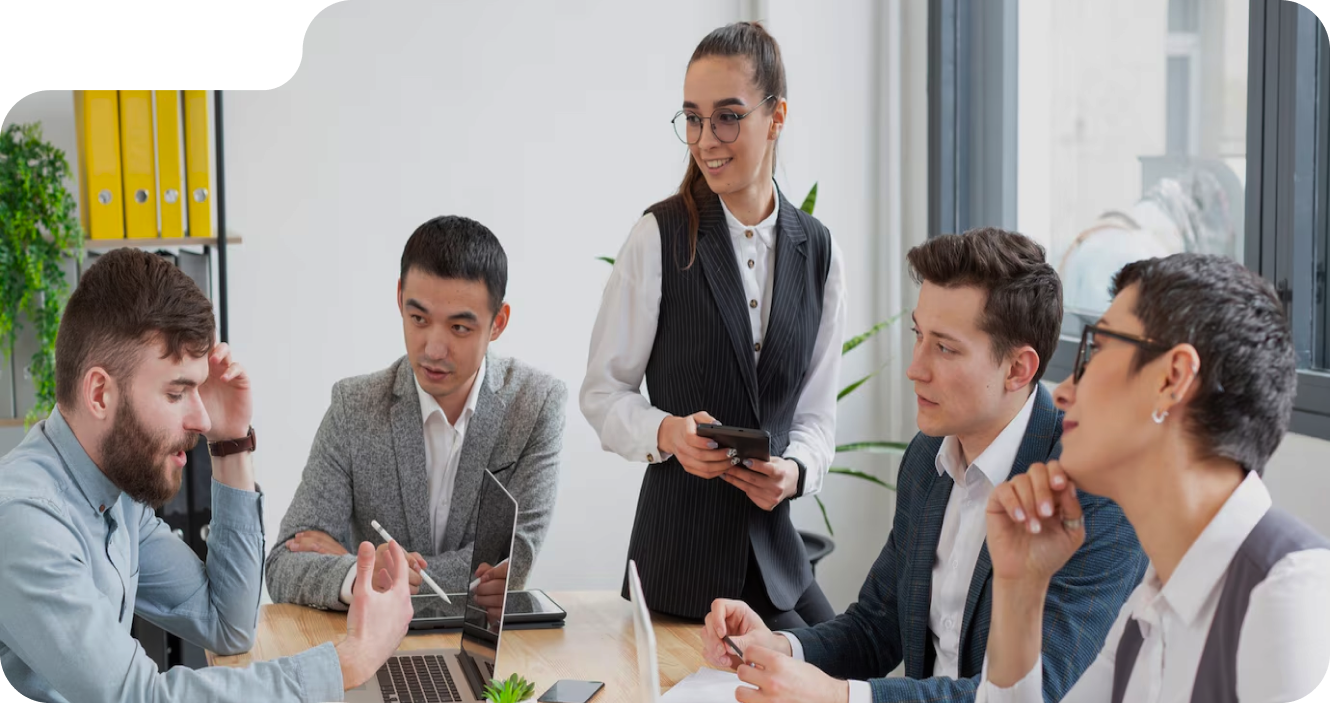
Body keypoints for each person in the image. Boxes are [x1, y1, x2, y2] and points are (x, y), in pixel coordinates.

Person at [700, 229, 1148, 702]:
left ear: (1018, 369)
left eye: (945, 348)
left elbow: (1038, 692)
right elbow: (876, 626)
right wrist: (782, 646)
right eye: (919, 335)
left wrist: (842, 698)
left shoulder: (1091, 493)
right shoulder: (926, 459)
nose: (915, 368)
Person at [0, 248, 413, 700]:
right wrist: (346, 662)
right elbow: (139, 698)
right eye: (178, 393)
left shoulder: (113, 494)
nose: (199, 418)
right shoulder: (27, 520)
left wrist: (230, 442)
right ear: (100, 393)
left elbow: (227, 623)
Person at [580, 21, 846, 628]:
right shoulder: (658, 236)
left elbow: (815, 418)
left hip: (779, 564)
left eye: (727, 116)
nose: (706, 139)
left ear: (776, 117)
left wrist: (797, 471)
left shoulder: (819, 252)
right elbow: (601, 395)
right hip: (681, 566)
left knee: (843, 673)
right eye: (693, 118)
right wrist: (669, 433)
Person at [978, 253, 1330, 702]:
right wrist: (1020, 587)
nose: (1062, 391)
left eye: (1097, 349)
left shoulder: (1291, 594)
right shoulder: (1144, 614)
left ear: (1173, 378)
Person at [266, 216, 566, 610]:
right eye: (419, 319)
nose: (433, 349)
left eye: (459, 328)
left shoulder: (535, 404)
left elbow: (514, 566)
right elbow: (284, 566)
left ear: (498, 323)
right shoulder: (353, 407)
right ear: (399, 298)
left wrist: (369, 573)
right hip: (373, 649)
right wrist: (357, 574)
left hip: (481, 652)